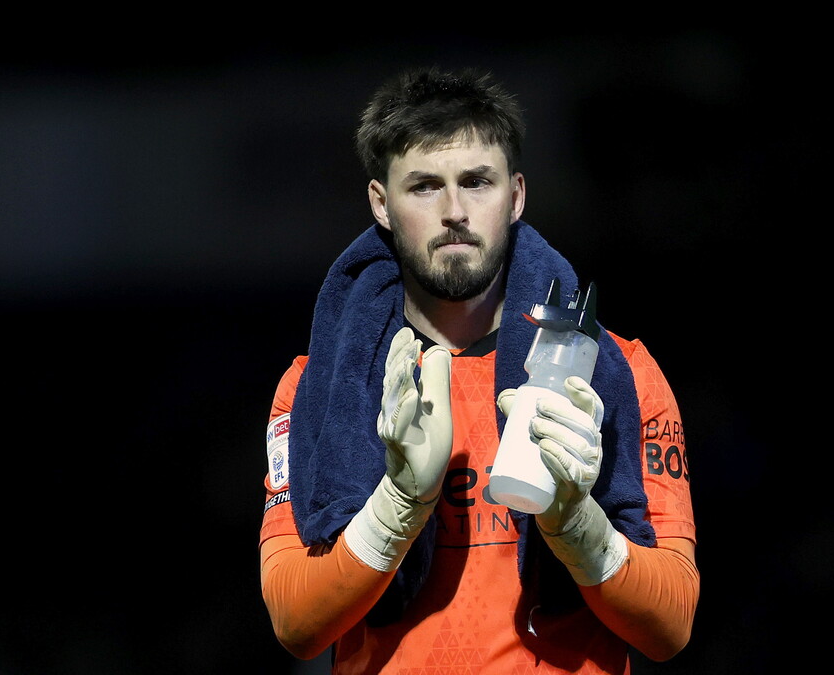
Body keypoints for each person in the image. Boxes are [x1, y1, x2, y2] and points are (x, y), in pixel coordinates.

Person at [259, 66, 700, 674]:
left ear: (515, 196)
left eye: (476, 182)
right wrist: (399, 503)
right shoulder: (316, 386)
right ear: (380, 204)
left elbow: (672, 626)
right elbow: (293, 622)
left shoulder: (617, 372)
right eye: (423, 187)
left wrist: (574, 520)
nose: (454, 211)